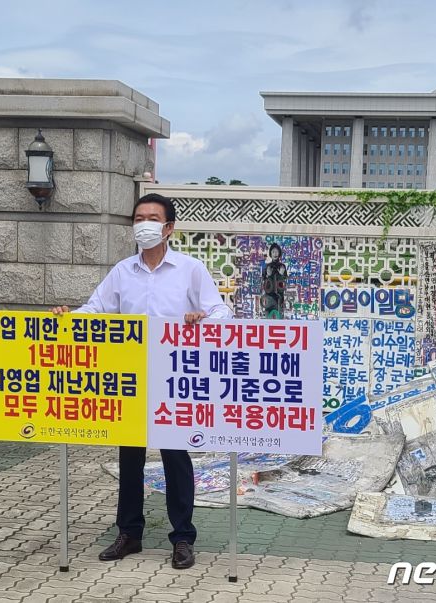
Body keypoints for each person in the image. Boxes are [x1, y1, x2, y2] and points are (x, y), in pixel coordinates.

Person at [51, 193, 232, 570]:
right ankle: (129, 533)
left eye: (152, 218)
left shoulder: (190, 269)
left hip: (174, 377)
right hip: (130, 376)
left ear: (168, 228)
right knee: (129, 456)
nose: (144, 224)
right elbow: (96, 309)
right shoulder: (123, 271)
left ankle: (182, 538)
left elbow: (221, 311)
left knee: (175, 456)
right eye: (138, 218)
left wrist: (201, 319)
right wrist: (68, 318)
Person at [261, 242, 288, 319]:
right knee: (268, 316)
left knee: (279, 316)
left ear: (279, 253)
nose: (275, 254)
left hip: (279, 296)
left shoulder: (282, 266)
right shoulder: (267, 266)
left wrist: (281, 274)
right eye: (273, 252)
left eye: (276, 252)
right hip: (269, 296)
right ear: (270, 253)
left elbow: (284, 281)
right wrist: (268, 275)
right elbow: (264, 280)